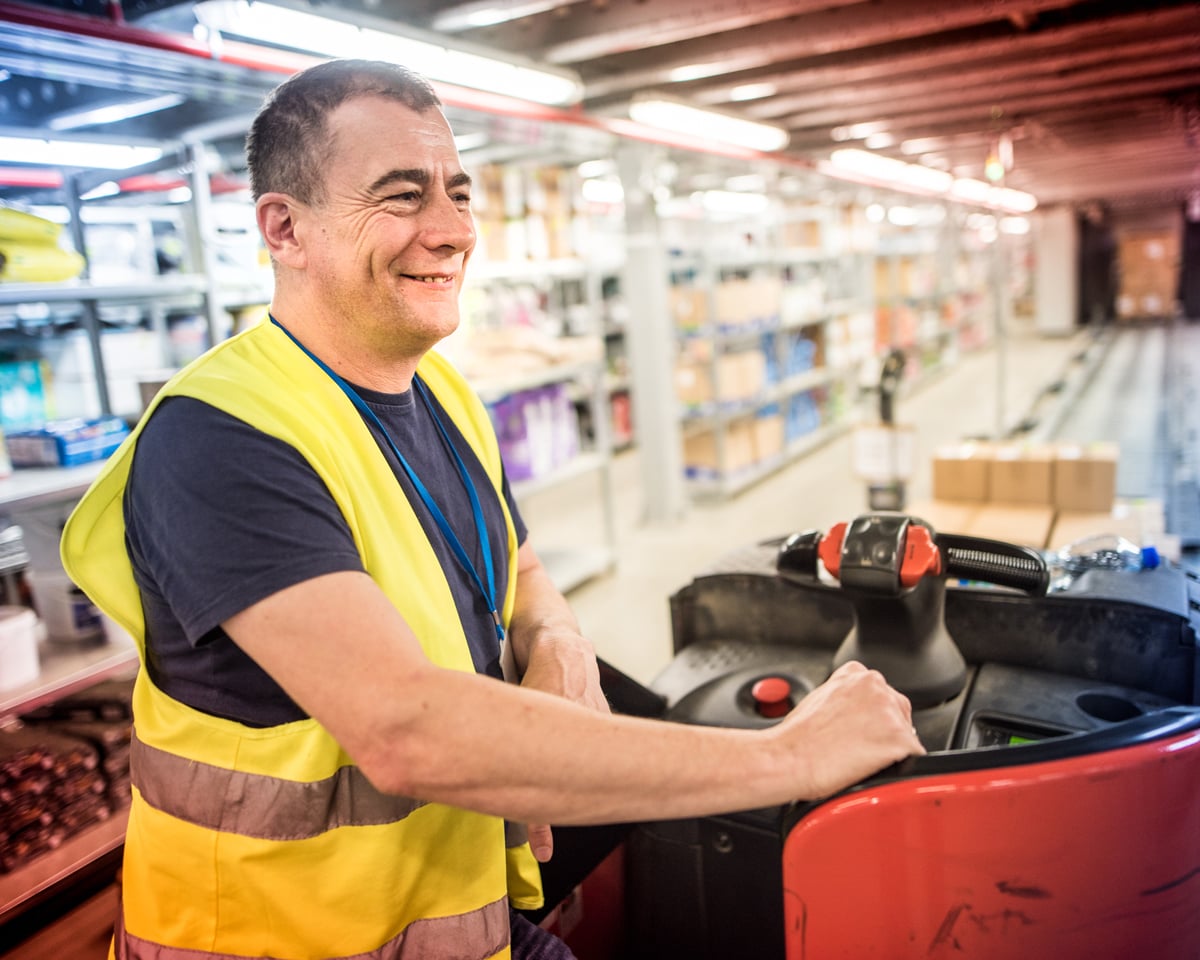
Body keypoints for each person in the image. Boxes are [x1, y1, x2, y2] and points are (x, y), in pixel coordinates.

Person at [61, 58, 923, 960]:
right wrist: (788, 758)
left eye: (458, 194)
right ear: (286, 228)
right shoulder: (223, 437)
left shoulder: (446, 399)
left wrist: (557, 642)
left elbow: (514, 564)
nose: (451, 231)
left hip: (461, 926)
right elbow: (404, 730)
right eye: (402, 196)